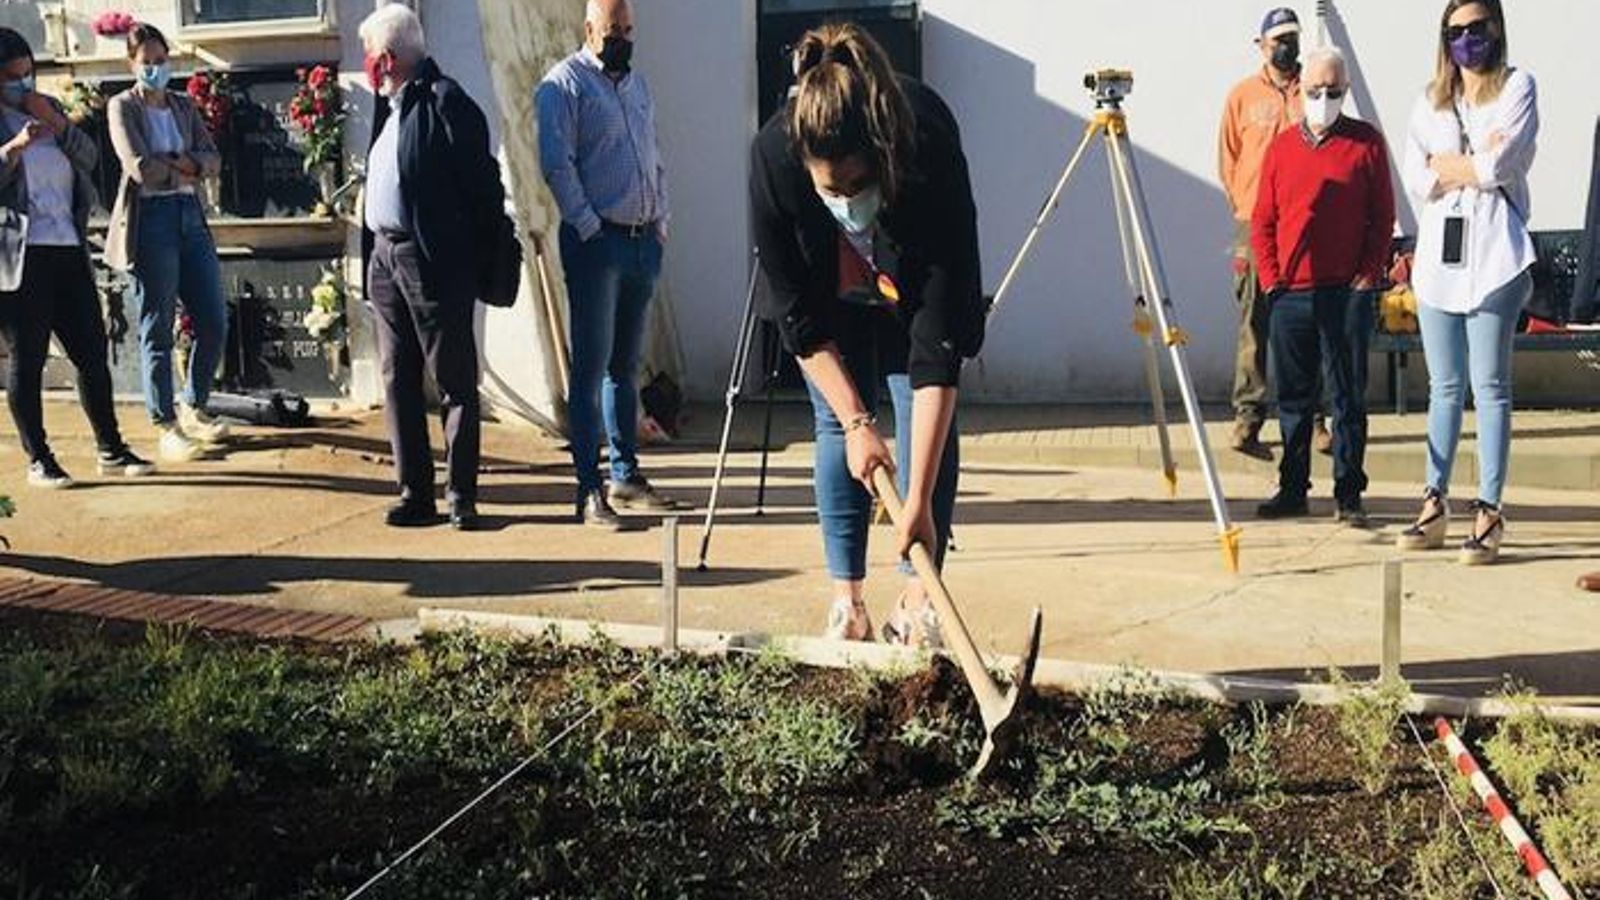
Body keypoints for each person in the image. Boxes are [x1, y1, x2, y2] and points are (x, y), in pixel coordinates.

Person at [750, 23, 984, 644]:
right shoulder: (773, 161)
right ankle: (847, 605)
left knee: (919, 403)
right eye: (833, 189)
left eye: (859, 184)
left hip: (908, 261)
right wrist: (857, 422)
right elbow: (796, 316)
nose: (848, 199)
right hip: (832, 286)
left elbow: (939, 341)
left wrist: (920, 507)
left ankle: (917, 603)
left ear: (881, 155)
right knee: (837, 424)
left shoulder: (924, 142)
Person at [1397, 0, 1536, 565]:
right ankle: (1434, 500)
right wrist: (1465, 164)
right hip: (1439, 261)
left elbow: (1497, 169)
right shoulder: (1429, 101)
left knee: (1491, 385)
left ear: (1496, 29)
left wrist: (1452, 164)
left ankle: (1490, 509)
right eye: (1456, 31)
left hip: (1496, 256)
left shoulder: (1517, 87)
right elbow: (1415, 176)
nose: (1467, 40)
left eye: (1477, 28)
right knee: (1445, 388)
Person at [358, 4, 506, 531]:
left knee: (453, 379)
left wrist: (473, 257)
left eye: (371, 56)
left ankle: (461, 495)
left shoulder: (447, 104)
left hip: (432, 261)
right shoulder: (390, 105)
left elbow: (484, 189)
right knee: (398, 375)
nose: (367, 66)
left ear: (389, 58)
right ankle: (414, 491)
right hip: (385, 255)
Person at [537, 0, 680, 528]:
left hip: (645, 241)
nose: (620, 37)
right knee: (590, 368)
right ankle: (588, 487)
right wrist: (591, 227)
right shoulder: (564, 85)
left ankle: (627, 474)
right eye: (611, 29)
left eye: (627, 29)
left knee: (626, 367)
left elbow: (654, 154)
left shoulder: (638, 86)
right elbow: (557, 162)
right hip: (598, 244)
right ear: (588, 29)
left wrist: (662, 217)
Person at [0, 28, 153, 488]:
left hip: (67, 246)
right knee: (28, 357)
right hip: (21, 254)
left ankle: (110, 446)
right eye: (13, 77)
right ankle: (39, 458)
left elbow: (88, 159)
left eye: (29, 74)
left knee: (90, 349)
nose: (24, 85)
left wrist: (60, 126)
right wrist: (13, 149)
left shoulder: (52, 110)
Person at [1251, 46, 1395, 526]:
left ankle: (1349, 492)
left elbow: (1382, 217)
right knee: (1293, 398)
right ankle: (1293, 488)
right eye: (1315, 90)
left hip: (1345, 293)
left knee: (1347, 397)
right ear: (1302, 91)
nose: (1324, 98)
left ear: (1346, 90)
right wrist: (1272, 281)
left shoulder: (1366, 143)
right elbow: (1263, 222)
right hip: (1291, 293)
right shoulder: (1281, 148)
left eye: (1333, 91)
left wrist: (1367, 275)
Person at [105, 23, 228, 463]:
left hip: (190, 217)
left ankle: (194, 404)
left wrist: (182, 165)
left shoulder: (182, 104)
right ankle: (165, 423)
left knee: (213, 319)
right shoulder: (122, 107)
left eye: (161, 61)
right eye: (147, 63)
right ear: (132, 64)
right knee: (156, 326)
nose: (156, 69)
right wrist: (186, 166)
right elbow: (140, 168)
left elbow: (212, 160)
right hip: (152, 219)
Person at [1218, 8, 1329, 461]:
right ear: (1261, 44)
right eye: (1278, 38)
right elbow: (1228, 161)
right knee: (1253, 321)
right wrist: (1248, 207)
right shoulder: (1242, 96)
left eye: (1292, 37)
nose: (1287, 45)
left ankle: (1316, 420)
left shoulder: (1315, 91)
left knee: (1309, 321)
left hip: (1306, 223)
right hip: (1254, 222)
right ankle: (1247, 420)